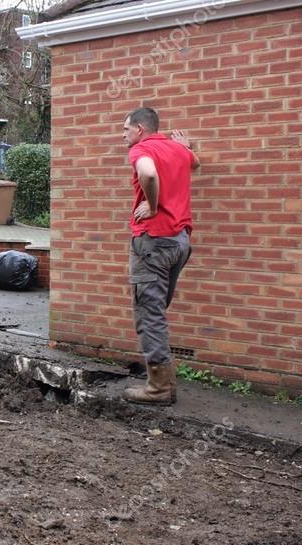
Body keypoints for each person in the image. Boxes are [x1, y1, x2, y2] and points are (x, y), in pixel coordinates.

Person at [121, 107, 199, 405]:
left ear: (140, 129)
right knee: (157, 309)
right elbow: (196, 163)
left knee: (149, 313)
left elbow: (148, 173)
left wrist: (153, 207)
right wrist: (187, 147)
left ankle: (159, 388)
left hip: (154, 241)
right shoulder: (178, 150)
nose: (122, 134)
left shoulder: (142, 149)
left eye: (125, 128)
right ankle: (163, 379)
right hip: (180, 242)